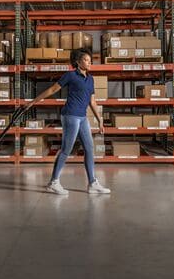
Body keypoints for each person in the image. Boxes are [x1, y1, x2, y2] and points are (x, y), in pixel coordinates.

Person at [25, 48, 111, 195]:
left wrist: (100, 121)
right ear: (77, 62)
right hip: (70, 115)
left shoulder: (90, 79)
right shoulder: (70, 75)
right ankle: (53, 182)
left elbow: (92, 101)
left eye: (90, 60)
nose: (89, 62)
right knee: (66, 149)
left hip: (82, 117)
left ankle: (92, 183)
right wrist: (33, 101)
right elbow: (52, 89)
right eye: (85, 60)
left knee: (89, 149)